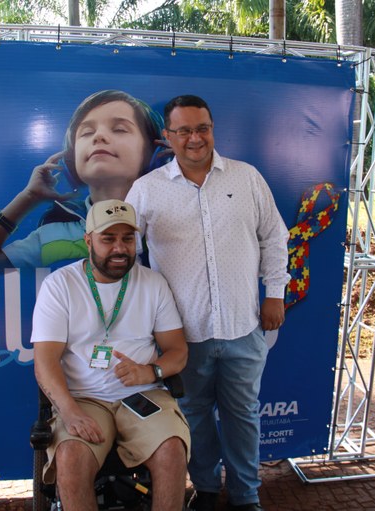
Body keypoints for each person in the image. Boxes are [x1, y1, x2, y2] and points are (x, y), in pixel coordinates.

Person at [125, 95, 291, 511]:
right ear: (168, 137)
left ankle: (246, 496)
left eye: (202, 128)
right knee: (193, 417)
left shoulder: (246, 177)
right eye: (183, 131)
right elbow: (129, 255)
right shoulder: (146, 190)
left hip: (243, 326)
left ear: (213, 129)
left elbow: (274, 237)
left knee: (243, 416)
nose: (194, 138)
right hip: (182, 336)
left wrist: (275, 294)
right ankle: (206, 488)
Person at [30, 199, 191, 511]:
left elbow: (177, 351)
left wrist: (151, 371)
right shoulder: (60, 285)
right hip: (83, 398)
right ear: (88, 240)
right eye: (108, 238)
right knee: (71, 457)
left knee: (172, 450)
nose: (120, 248)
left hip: (142, 395)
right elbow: (45, 361)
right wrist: (69, 411)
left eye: (128, 239)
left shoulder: (153, 283)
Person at [0, 90, 165, 270]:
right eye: (87, 132)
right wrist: (29, 197)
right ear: (71, 159)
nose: (99, 136)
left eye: (119, 129)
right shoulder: (53, 235)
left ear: (155, 152)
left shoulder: (167, 220)